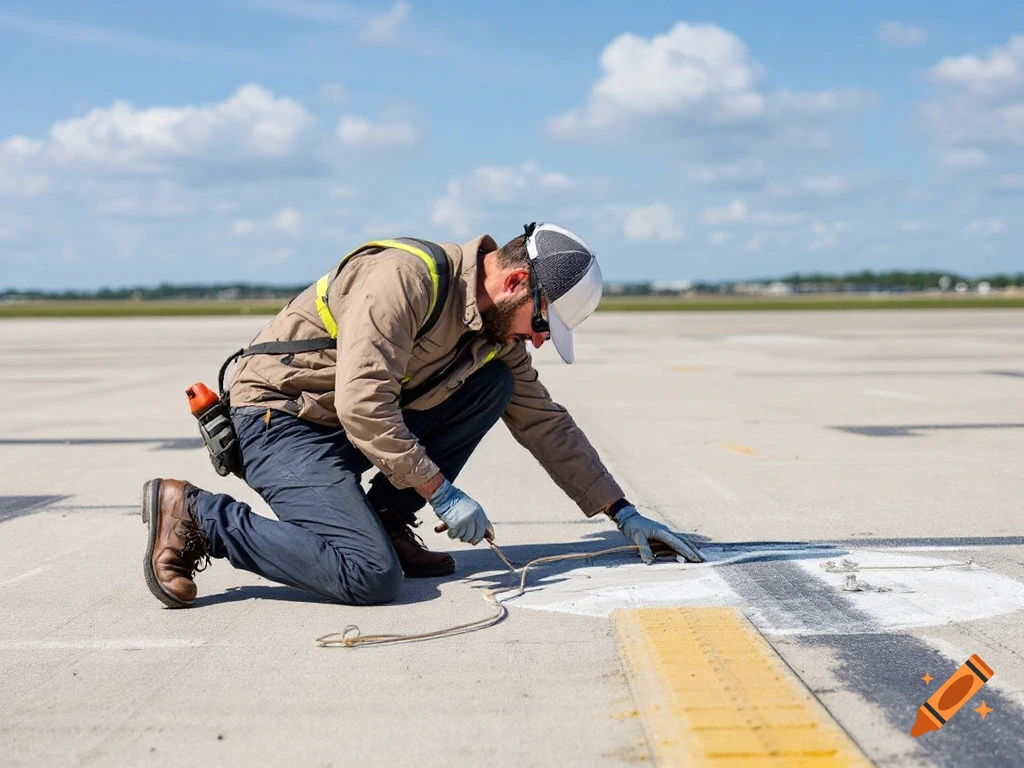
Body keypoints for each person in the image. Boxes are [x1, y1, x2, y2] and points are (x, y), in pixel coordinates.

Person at [141, 223, 704, 609]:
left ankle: (385, 519)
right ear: (514, 283)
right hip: (282, 421)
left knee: (497, 385)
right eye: (541, 323)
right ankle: (196, 516)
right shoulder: (405, 281)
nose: (536, 340)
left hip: (342, 426)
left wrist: (622, 511)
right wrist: (441, 491)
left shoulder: (492, 335)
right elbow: (363, 404)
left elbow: (544, 422)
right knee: (368, 575)